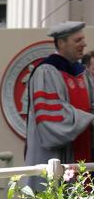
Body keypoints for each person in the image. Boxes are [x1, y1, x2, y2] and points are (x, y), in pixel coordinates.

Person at [24, 21, 94, 191]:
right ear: (61, 43)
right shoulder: (46, 71)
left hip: (83, 147)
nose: (84, 44)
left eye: (83, 39)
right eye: (77, 40)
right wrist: (89, 119)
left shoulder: (81, 72)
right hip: (57, 153)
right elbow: (52, 116)